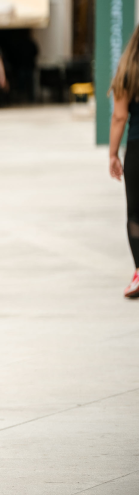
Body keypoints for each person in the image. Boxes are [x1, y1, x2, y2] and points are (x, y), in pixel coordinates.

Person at [107, 25, 139, 299]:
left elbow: (119, 117)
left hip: (138, 148)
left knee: (136, 214)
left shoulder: (129, 71)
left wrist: (112, 154)